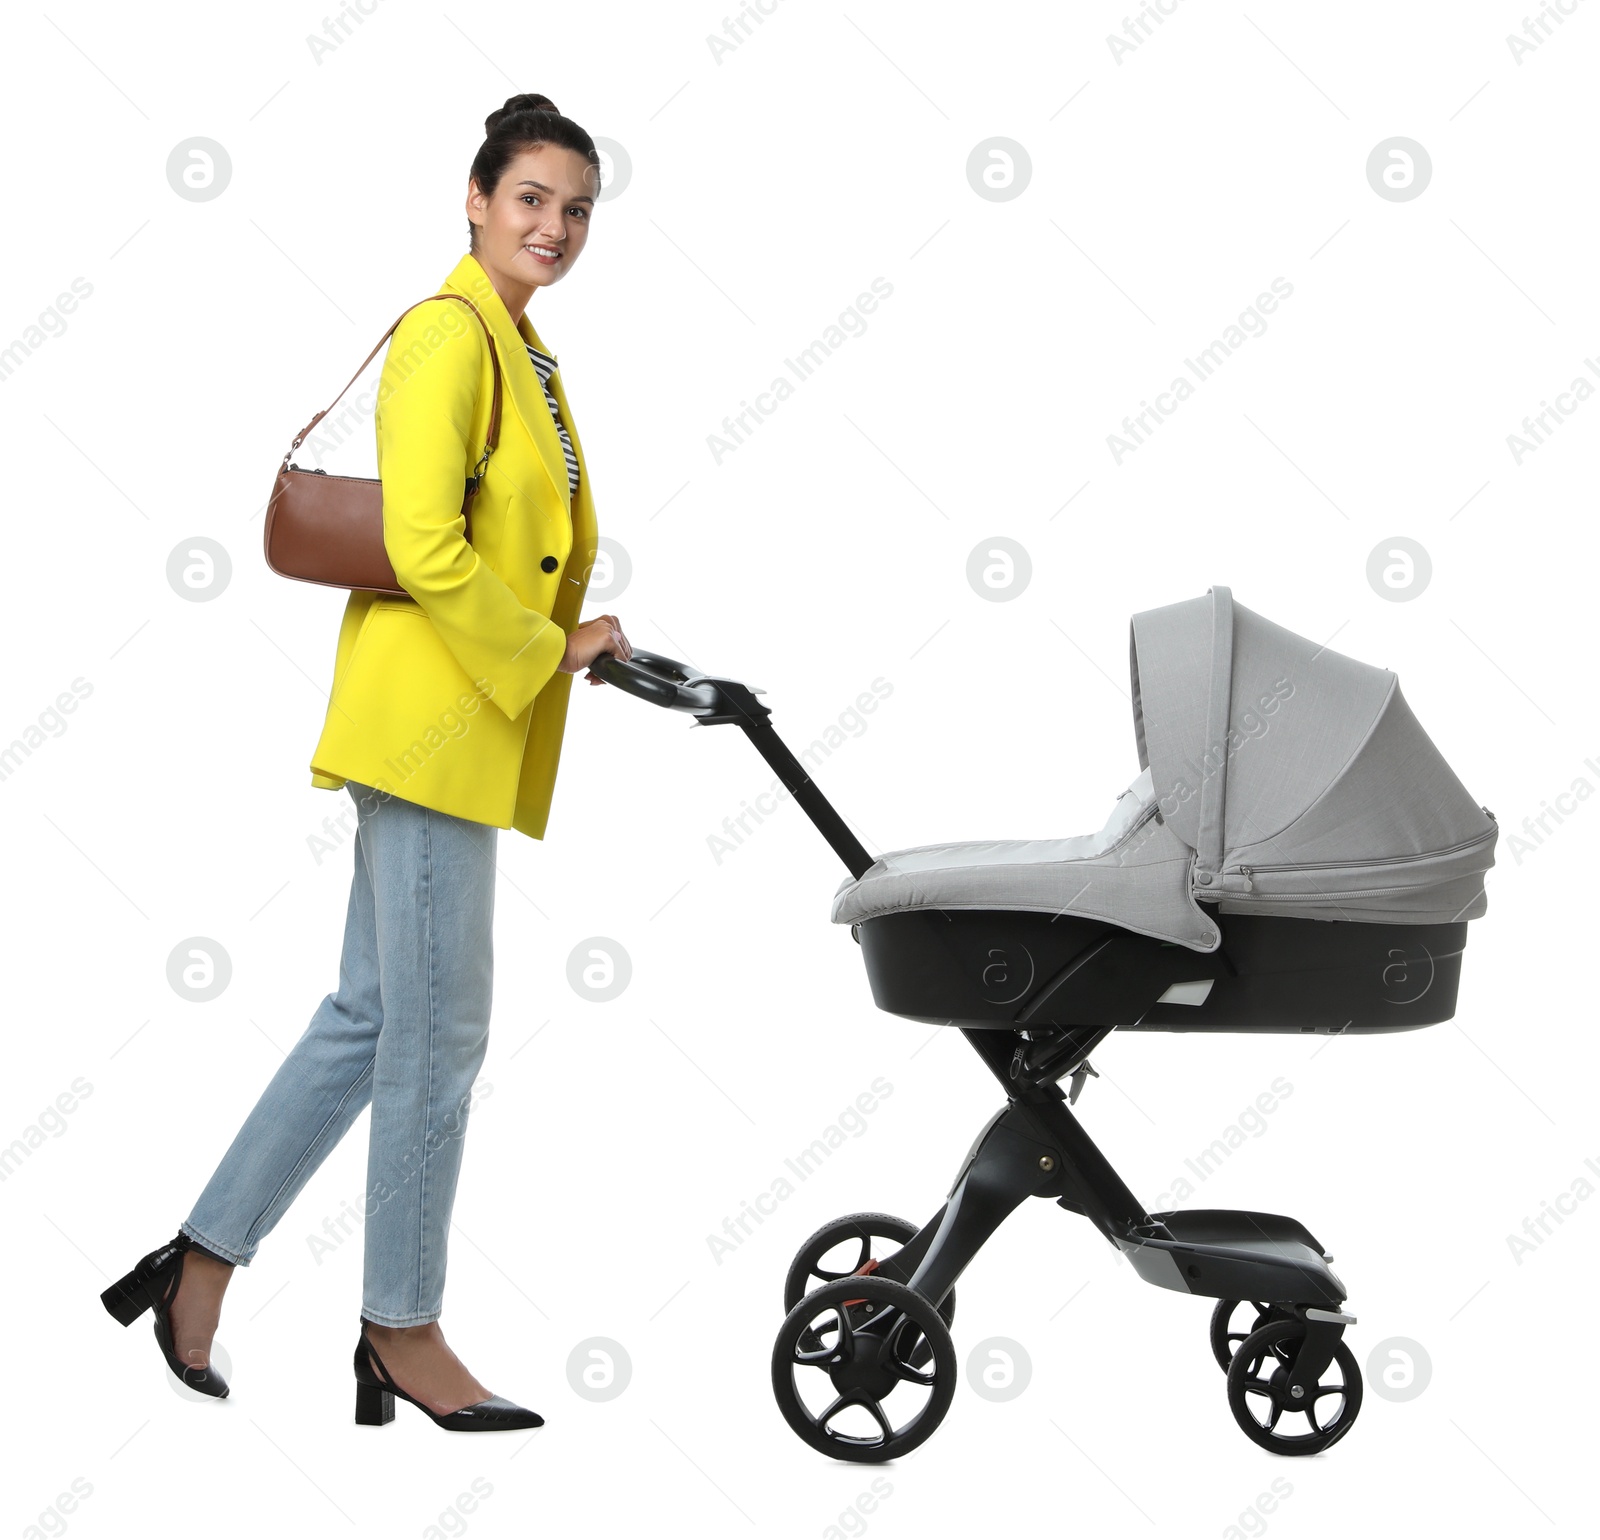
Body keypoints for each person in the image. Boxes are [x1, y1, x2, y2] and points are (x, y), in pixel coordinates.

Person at [99, 93, 631, 1432]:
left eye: (575, 208)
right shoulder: (453, 339)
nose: (553, 226)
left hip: (451, 717)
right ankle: (402, 1327)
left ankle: (196, 1266)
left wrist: (568, 632)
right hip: (436, 723)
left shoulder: (530, 355)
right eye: (531, 199)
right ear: (475, 197)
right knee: (439, 1037)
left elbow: (502, 542)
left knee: (371, 1016)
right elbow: (429, 546)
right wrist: (550, 649)